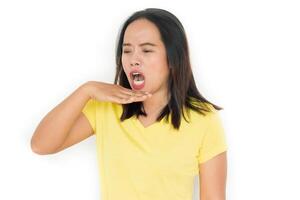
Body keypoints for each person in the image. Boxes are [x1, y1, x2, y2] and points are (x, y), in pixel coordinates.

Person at [31, 8, 228, 200]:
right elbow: (41, 145)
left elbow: (213, 197)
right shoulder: (106, 108)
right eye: (127, 50)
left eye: (147, 50)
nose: (134, 59)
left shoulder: (204, 119)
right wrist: (86, 90)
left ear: (172, 57)